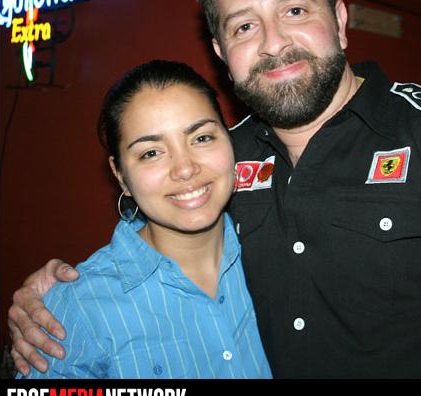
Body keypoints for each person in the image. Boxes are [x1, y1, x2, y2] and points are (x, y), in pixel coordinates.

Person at [8, 0, 421, 378]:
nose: (273, 42)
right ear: (222, 53)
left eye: (294, 10)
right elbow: (167, 220)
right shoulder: (224, 154)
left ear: (339, 20)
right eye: (244, 26)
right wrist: (59, 297)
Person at [17, 59, 272, 378]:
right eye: (151, 153)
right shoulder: (78, 307)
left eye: (202, 138)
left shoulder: (278, 243)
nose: (185, 168)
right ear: (120, 175)